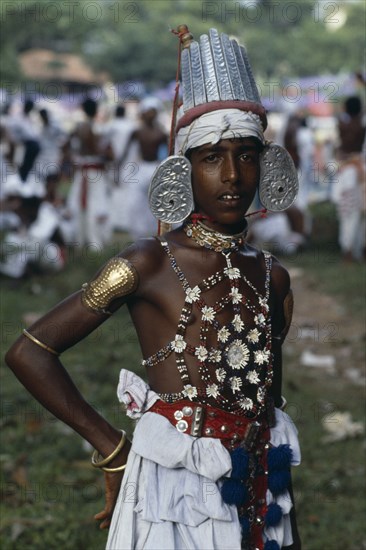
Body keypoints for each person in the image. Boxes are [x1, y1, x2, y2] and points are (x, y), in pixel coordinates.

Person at [6, 27, 301, 549]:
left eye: (247, 155)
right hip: (173, 487)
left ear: (268, 163)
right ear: (182, 170)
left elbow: (267, 403)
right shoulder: (147, 262)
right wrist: (111, 447)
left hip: (260, 486)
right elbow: (31, 352)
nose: (232, 174)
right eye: (212, 158)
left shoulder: (272, 275)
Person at [64, 97, 113, 249]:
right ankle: (95, 242)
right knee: (96, 205)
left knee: (79, 204)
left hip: (83, 172)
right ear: (97, 110)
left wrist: (75, 158)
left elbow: (65, 146)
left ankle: (79, 239)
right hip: (95, 172)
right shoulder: (99, 128)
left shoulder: (79, 127)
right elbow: (108, 154)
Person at [332, 95, 366, 261]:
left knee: (347, 212)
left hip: (345, 172)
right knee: (356, 212)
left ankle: (349, 249)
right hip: (357, 171)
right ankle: (353, 250)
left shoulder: (341, 124)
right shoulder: (361, 126)